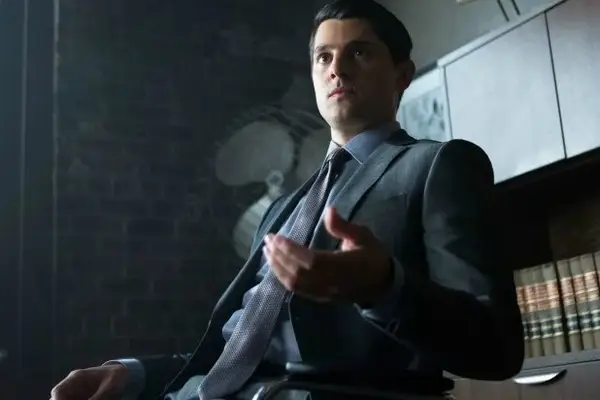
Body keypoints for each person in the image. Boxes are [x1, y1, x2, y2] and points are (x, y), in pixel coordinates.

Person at [50, 0, 524, 399]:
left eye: (359, 52)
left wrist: (385, 288)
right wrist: (133, 375)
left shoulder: (438, 166)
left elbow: (497, 348)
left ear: (402, 75)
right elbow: (242, 352)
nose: (337, 69)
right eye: (323, 57)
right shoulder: (280, 210)